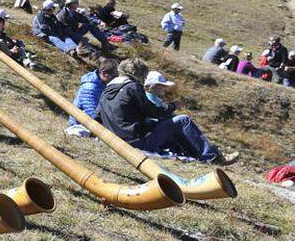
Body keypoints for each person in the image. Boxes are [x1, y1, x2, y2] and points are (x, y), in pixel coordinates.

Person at [96, 58, 237, 164]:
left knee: (169, 125)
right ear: (138, 74)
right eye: (144, 77)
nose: (143, 80)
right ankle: (212, 157)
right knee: (183, 121)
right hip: (136, 141)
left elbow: (97, 117)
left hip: (116, 140)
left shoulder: (106, 90)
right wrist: (172, 106)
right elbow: (154, 112)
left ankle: (202, 156)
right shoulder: (132, 86)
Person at [66, 57, 118, 136]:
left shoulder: (102, 83)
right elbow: (91, 112)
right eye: (113, 76)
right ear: (104, 73)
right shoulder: (90, 88)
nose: (115, 79)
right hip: (81, 121)